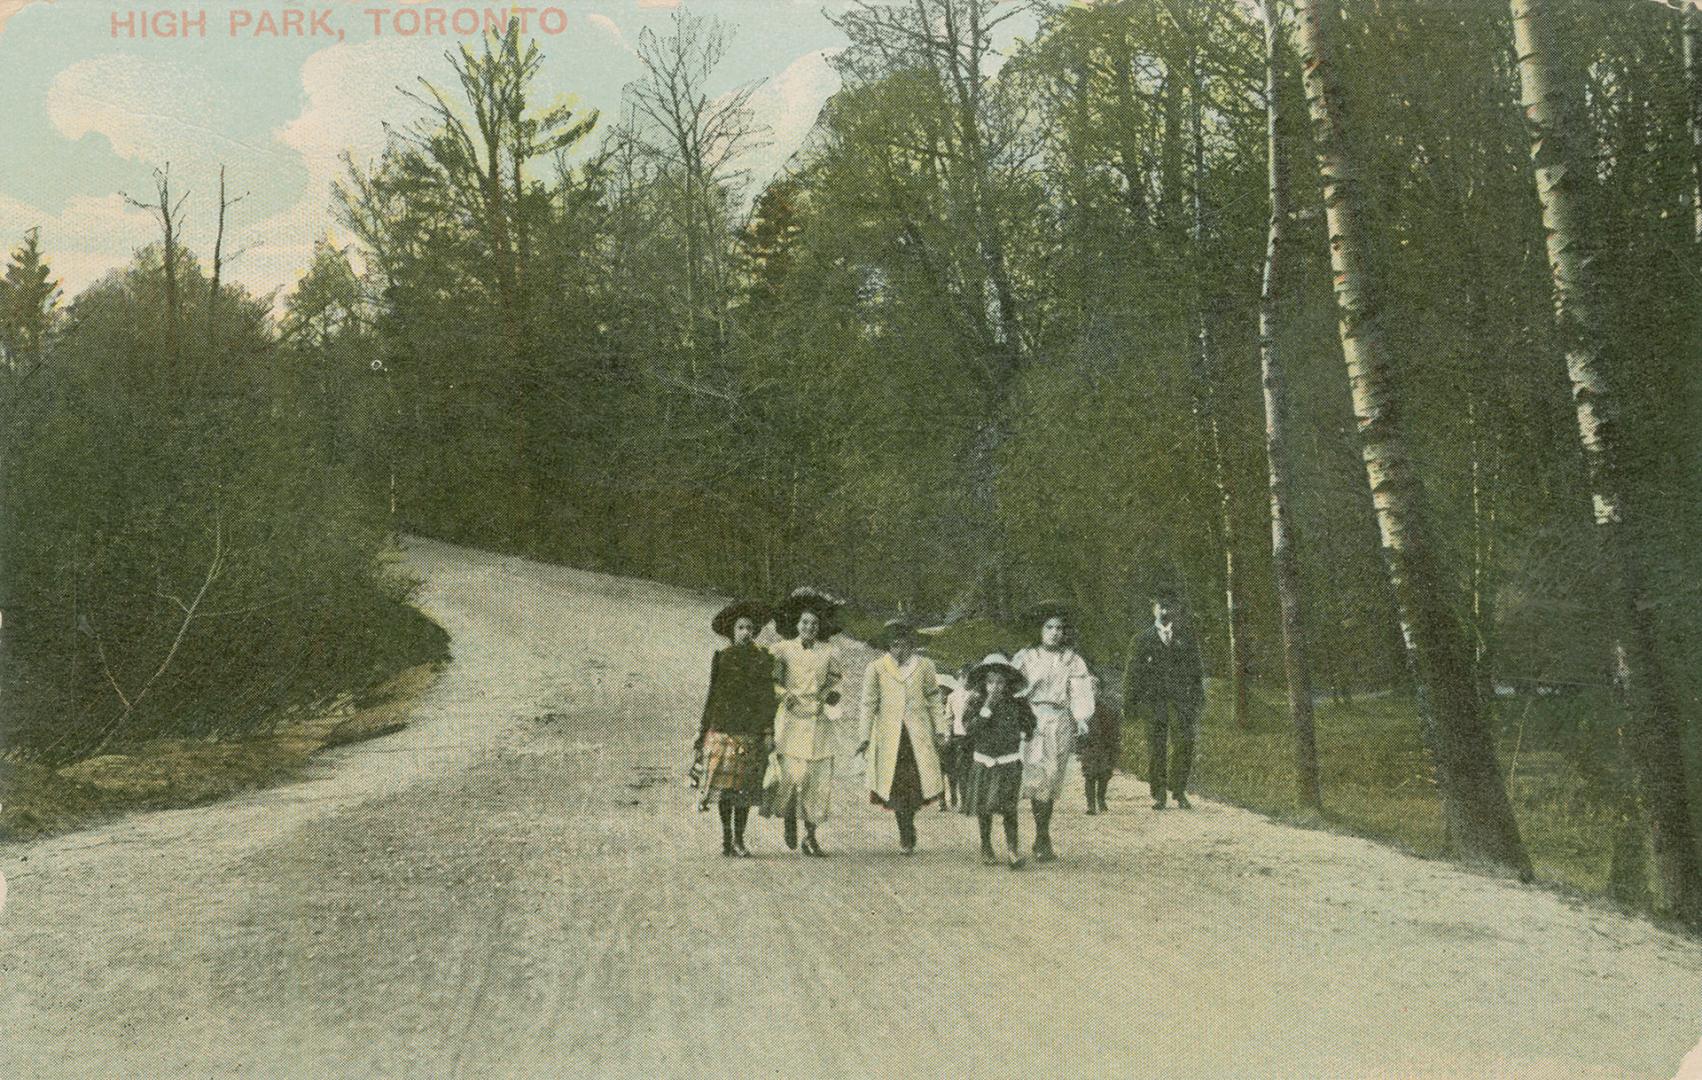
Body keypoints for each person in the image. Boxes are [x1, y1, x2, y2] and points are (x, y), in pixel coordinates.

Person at [1011, 602, 1096, 861]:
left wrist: (1081, 718)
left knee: (1052, 776)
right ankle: (1030, 836)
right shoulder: (1026, 657)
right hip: (1032, 719)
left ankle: (1042, 834)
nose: (1055, 632)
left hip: (1059, 720)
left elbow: (1079, 691)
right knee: (1034, 775)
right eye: (1049, 627)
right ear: (1039, 629)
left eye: (1060, 628)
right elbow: (1013, 690)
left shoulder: (1072, 660)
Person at [856, 619, 949, 854]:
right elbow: (868, 704)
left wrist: (940, 728)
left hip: (916, 735)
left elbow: (934, 698)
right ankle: (905, 832)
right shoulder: (876, 668)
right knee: (896, 785)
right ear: (888, 646)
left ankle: (909, 822)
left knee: (916, 783)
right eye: (895, 645)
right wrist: (864, 737)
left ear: (912, 645)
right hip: (890, 737)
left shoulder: (924, 666)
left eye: (905, 645)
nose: (900, 650)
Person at [766, 587, 844, 856]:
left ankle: (810, 836)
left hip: (818, 721)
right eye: (804, 623)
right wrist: (782, 693)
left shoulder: (828, 652)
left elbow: (834, 681)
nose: (809, 627)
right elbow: (773, 680)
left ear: (819, 627)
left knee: (817, 779)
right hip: (791, 720)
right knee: (790, 776)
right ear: (796, 625)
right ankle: (789, 819)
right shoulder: (783, 650)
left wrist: (828, 695)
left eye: (814, 623)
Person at [694, 600, 774, 856]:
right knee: (726, 790)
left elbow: (766, 698)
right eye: (740, 627)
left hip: (750, 731)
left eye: (750, 627)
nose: (745, 632)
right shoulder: (722, 658)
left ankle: (740, 838)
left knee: (745, 790)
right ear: (732, 631)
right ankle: (727, 837)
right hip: (724, 729)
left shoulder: (763, 659)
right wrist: (703, 728)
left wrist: (768, 730)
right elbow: (713, 694)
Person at [1122, 588, 1205, 810]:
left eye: (1169, 607)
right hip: (1153, 703)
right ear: (1154, 610)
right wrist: (1129, 704)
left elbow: (1196, 672)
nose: (1165, 611)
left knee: (1184, 743)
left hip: (1180, 702)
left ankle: (1178, 790)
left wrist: (1197, 699)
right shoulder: (1141, 640)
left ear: (1176, 610)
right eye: (1160, 606)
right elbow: (1132, 674)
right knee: (1156, 747)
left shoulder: (1186, 639)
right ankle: (1159, 794)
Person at [961, 653, 1036, 869]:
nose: (995, 687)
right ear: (984, 683)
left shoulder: (1017, 704)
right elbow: (970, 729)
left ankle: (1012, 849)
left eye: (1000, 682)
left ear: (1007, 683)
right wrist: (987, 708)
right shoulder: (976, 703)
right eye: (990, 681)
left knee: (1009, 808)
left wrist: (1026, 732)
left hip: (1008, 761)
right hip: (984, 760)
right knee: (984, 808)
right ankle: (986, 846)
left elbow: (1030, 724)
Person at [1077, 694, 1122, 814]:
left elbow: (1114, 727)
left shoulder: (1107, 707)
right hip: (1089, 745)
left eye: (1095, 687)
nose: (1092, 691)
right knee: (1089, 775)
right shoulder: (1082, 709)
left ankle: (1101, 799)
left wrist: (1113, 746)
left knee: (1104, 775)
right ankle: (1091, 805)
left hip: (1104, 746)